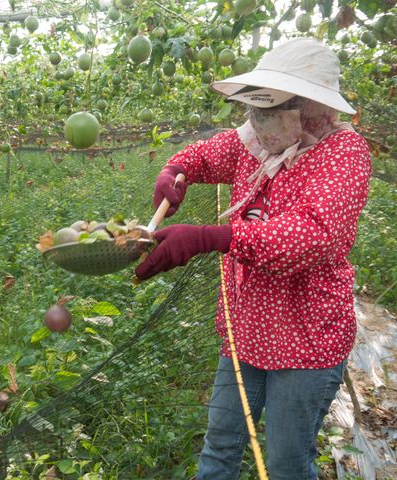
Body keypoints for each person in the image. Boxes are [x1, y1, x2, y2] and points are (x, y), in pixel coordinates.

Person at [135, 38, 371, 479]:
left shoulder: (342, 155)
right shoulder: (257, 143)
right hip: (246, 332)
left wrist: (212, 236)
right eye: (255, 110)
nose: (257, 122)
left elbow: (312, 237)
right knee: (220, 446)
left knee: (285, 463)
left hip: (306, 339)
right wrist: (175, 170)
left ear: (309, 108)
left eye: (270, 110)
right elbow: (205, 154)